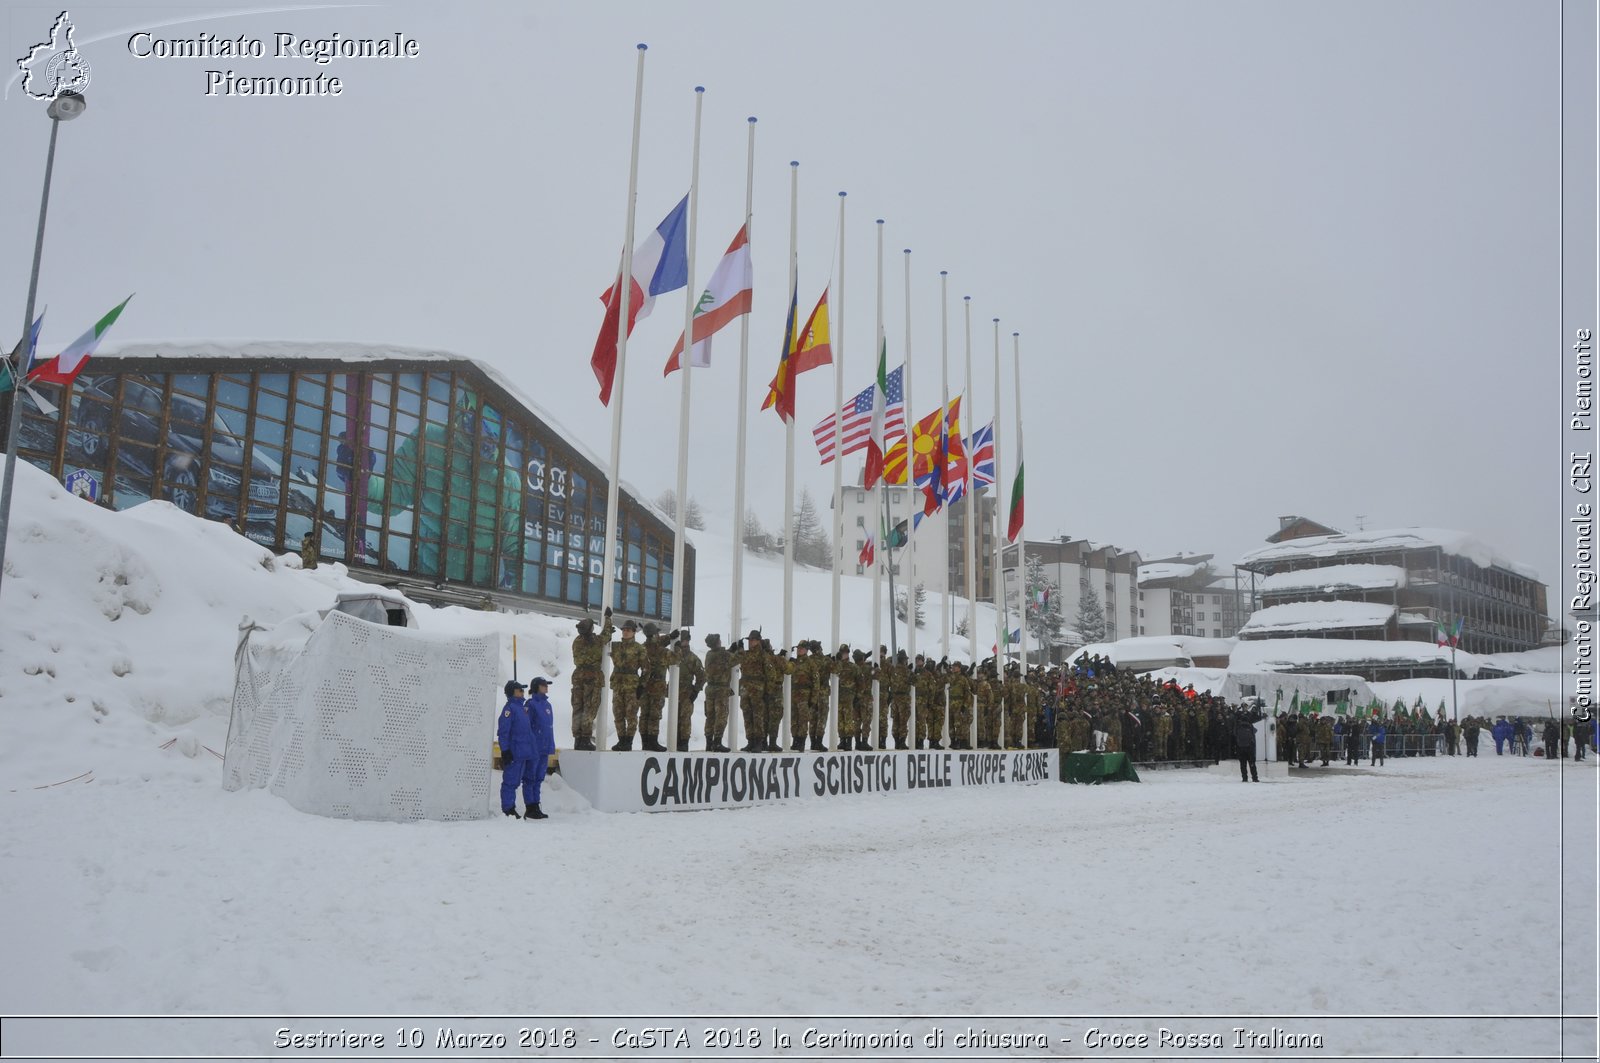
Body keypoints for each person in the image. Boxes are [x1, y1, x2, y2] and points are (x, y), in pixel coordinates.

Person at [497, 678, 550, 819]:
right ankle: (508, 809)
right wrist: (505, 750)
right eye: (520, 689)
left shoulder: (522, 708)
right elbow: (503, 731)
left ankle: (532, 807)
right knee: (511, 781)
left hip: (527, 750)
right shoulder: (509, 709)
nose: (522, 691)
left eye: (523, 689)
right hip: (515, 751)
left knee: (529, 778)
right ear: (512, 692)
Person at [569, 607, 612, 751]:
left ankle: (577, 739)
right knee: (589, 708)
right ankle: (585, 739)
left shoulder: (577, 641)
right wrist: (608, 618)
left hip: (578, 677)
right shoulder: (595, 641)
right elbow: (606, 635)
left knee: (577, 708)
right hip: (591, 678)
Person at [608, 619, 646, 751]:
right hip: (618, 685)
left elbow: (646, 668)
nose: (625, 632)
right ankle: (621, 740)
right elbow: (603, 642)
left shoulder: (639, 648)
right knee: (618, 714)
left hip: (632, 687)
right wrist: (607, 625)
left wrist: (642, 685)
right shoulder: (616, 646)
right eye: (624, 630)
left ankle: (628, 742)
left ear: (634, 632)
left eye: (628, 630)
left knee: (631, 715)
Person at [701, 633, 733, 752]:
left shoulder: (709, 654)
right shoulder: (724, 655)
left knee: (710, 716)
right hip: (721, 690)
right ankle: (717, 742)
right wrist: (738, 649)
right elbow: (736, 659)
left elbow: (722, 657)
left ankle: (709, 743)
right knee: (721, 716)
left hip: (710, 689)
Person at [1234, 710, 1260, 782]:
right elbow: (1255, 731)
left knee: (1243, 765)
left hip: (1241, 748)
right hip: (1250, 748)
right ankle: (1255, 778)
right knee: (1252, 764)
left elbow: (1235, 735)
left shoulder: (1238, 727)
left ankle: (1244, 778)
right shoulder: (1250, 726)